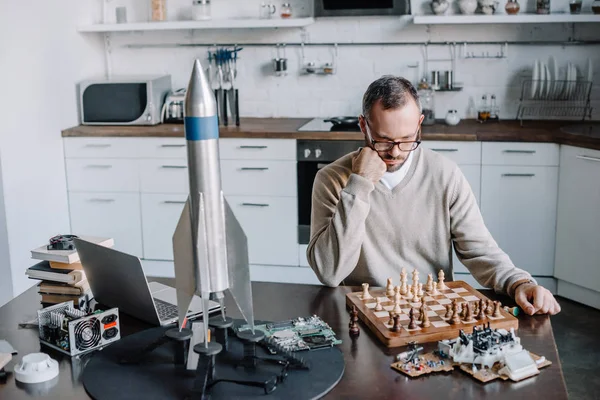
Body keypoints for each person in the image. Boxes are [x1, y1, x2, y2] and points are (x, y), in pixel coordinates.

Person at [307, 75, 561, 316]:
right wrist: (359, 185)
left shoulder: (445, 174)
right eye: (383, 141)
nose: (395, 152)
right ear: (364, 125)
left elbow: (479, 250)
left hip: (431, 313)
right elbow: (329, 272)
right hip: (363, 314)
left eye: (407, 139)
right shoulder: (332, 179)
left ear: (419, 124)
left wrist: (519, 282)